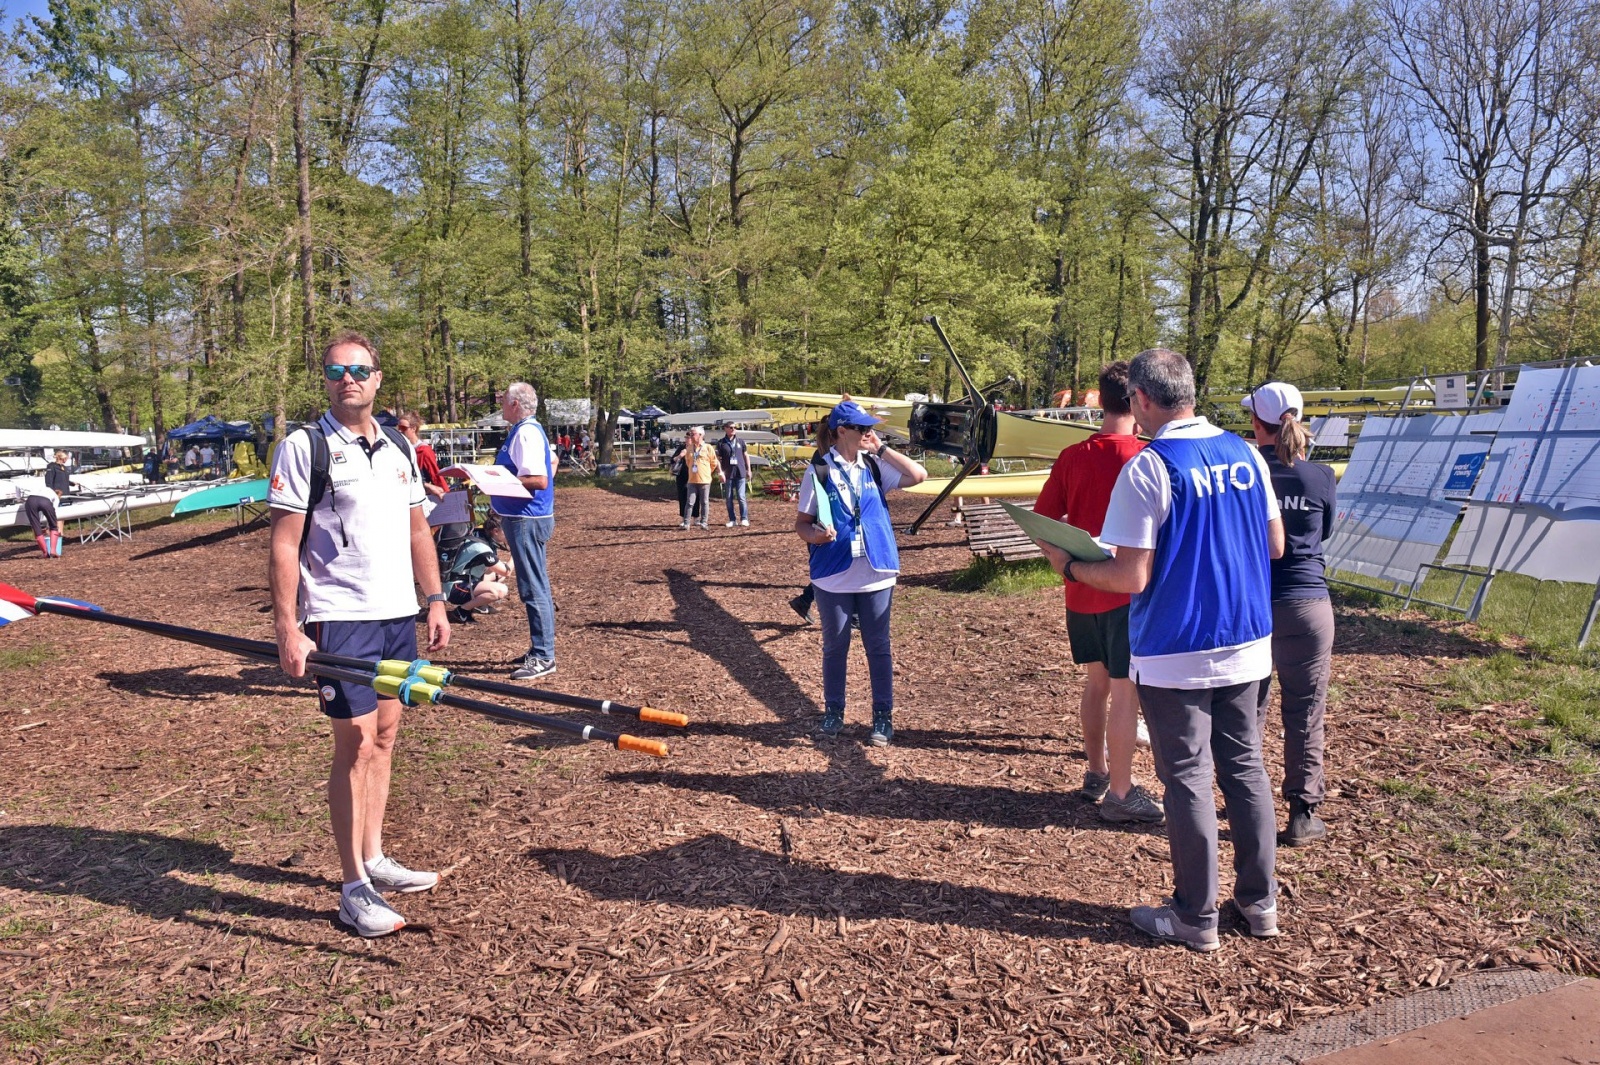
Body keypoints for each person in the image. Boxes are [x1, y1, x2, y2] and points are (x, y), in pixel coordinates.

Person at [1065, 348, 1285, 951]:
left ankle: (1194, 915)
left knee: (1186, 776)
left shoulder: (1150, 467)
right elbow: (1274, 545)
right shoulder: (1247, 454)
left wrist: (1073, 567)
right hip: (1246, 638)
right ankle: (1259, 902)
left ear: (1139, 400)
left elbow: (1130, 576)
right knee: (1245, 767)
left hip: (1175, 646)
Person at [268, 330, 451, 939]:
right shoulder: (305, 447)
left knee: (387, 737)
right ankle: (352, 886)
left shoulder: (399, 446)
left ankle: (374, 856)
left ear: (377, 378)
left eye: (360, 369)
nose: (349, 378)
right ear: (325, 379)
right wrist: (289, 626)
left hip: (397, 612)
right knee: (353, 743)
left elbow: (419, 532)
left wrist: (434, 600)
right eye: (336, 369)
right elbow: (284, 544)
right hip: (340, 616)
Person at [1033, 362, 1163, 825]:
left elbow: (1041, 522)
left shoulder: (1072, 455)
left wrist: (1066, 565)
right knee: (1126, 693)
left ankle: (1096, 772)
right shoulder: (1147, 457)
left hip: (1082, 591)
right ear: (1134, 399)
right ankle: (1122, 791)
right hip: (1128, 596)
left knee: (1096, 685)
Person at [795, 400, 927, 745]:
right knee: (835, 646)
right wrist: (817, 537)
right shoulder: (820, 471)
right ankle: (833, 713)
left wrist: (881, 447)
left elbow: (918, 475)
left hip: (876, 571)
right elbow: (802, 524)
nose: (870, 433)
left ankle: (882, 718)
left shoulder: (874, 465)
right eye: (863, 429)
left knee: (878, 646)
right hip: (833, 574)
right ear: (842, 432)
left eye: (871, 428)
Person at [1244, 382, 1338, 847]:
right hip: (1308, 603)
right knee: (1305, 710)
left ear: (1256, 424)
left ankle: (1248, 802)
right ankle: (1302, 813)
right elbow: (1324, 534)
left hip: (1255, 604)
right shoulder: (1321, 476)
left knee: (1249, 707)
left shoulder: (1243, 472)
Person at [493, 382, 559, 681]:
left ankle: (544, 655)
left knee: (533, 588)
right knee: (536, 585)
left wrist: (494, 480)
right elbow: (553, 463)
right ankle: (540, 649)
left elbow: (538, 479)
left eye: (504, 400)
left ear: (516, 404)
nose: (501, 405)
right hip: (525, 518)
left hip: (526, 519)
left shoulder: (526, 432)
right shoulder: (526, 431)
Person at [395, 412, 449, 499]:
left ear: (413, 428)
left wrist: (447, 496)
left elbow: (435, 475)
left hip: (418, 497)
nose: (400, 431)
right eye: (398, 428)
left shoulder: (424, 450)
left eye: (403, 428)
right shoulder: (398, 449)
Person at [680, 426, 720, 530]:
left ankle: (704, 522)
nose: (691, 436)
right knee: (689, 502)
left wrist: (707, 472)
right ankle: (686, 523)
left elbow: (714, 462)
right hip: (692, 480)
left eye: (693, 434)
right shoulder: (689, 448)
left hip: (705, 480)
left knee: (705, 502)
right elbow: (688, 462)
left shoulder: (708, 447)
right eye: (690, 434)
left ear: (700, 435)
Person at [716, 422, 752, 527]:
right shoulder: (721, 443)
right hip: (728, 473)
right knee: (728, 497)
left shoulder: (740, 441)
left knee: (741, 496)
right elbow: (717, 458)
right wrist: (720, 472)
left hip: (740, 472)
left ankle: (744, 518)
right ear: (725, 429)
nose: (733, 429)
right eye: (731, 428)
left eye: (734, 428)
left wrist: (748, 469)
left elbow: (746, 456)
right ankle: (732, 519)